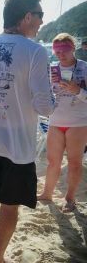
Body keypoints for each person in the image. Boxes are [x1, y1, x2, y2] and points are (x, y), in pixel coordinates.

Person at [0, 0, 55, 263]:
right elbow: (44, 106)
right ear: (27, 17)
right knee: (10, 205)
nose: (42, 21)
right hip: (17, 144)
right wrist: (54, 100)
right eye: (40, 15)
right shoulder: (36, 51)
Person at [38, 33, 87, 212]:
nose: (60, 54)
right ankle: (47, 193)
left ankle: (70, 198)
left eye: (64, 50)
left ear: (73, 47)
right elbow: (44, 95)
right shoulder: (51, 69)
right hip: (55, 121)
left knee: (74, 163)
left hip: (78, 123)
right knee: (53, 162)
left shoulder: (85, 68)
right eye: (56, 51)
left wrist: (77, 90)